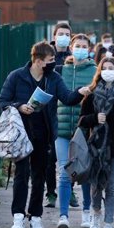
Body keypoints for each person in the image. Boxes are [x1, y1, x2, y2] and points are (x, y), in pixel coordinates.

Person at [0, 41, 87, 228]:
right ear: (38, 61)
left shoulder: (53, 78)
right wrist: (20, 106)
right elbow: (3, 101)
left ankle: (36, 217)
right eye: (50, 60)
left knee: (40, 175)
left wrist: (80, 92)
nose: (53, 63)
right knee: (22, 175)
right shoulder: (16, 76)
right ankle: (18, 216)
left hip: (44, 134)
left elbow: (67, 98)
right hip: (21, 134)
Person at [78, 57, 114, 228]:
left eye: (112, 68)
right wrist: (95, 118)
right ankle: (96, 214)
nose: (108, 71)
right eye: (105, 68)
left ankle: (108, 223)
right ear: (99, 71)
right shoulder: (92, 93)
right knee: (95, 184)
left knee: (111, 186)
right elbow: (82, 120)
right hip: (95, 146)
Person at [55, 34, 97, 228]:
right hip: (62, 129)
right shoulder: (60, 70)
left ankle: (87, 211)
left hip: (84, 130)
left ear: (89, 49)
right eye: (77, 45)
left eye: (84, 46)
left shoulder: (95, 71)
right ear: (71, 48)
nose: (80, 49)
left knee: (85, 172)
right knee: (64, 172)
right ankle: (63, 216)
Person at [43, 22, 74, 208]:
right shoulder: (46, 55)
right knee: (50, 157)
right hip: (49, 111)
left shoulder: (73, 56)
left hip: (68, 110)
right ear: (54, 35)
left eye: (67, 33)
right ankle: (51, 193)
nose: (63, 36)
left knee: (70, 157)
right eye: (60, 33)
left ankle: (68, 191)